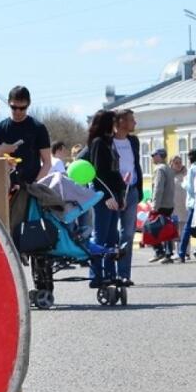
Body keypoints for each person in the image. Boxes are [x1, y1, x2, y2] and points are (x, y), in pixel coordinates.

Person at [84, 110, 124, 286]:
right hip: (103, 195)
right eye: (115, 123)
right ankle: (96, 275)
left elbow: (115, 172)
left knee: (112, 236)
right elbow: (98, 173)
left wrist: (121, 195)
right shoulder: (99, 143)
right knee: (100, 236)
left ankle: (110, 273)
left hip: (114, 194)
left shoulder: (110, 143)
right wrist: (107, 195)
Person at [0, 86, 52, 187]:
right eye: (13, 107)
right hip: (5, 186)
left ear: (28, 104)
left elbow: (47, 162)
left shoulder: (38, 128)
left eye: (22, 108)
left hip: (31, 186)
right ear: (9, 102)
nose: (17, 111)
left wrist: (36, 184)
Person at [112, 109, 142, 283]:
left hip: (131, 191)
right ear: (121, 122)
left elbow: (135, 164)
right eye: (131, 120)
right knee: (111, 234)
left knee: (128, 233)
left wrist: (137, 188)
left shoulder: (133, 141)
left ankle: (123, 274)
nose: (135, 123)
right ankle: (109, 272)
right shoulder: (107, 141)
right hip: (114, 192)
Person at [149, 148, 175, 262]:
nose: (152, 158)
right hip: (169, 203)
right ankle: (167, 253)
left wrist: (155, 205)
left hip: (161, 204)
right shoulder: (168, 168)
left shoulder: (159, 169)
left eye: (154, 155)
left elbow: (158, 188)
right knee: (166, 229)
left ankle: (160, 252)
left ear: (160, 156)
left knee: (151, 227)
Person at [176, 149, 196, 262]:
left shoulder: (192, 169)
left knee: (187, 228)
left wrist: (183, 183)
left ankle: (182, 252)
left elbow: (191, 188)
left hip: (193, 201)